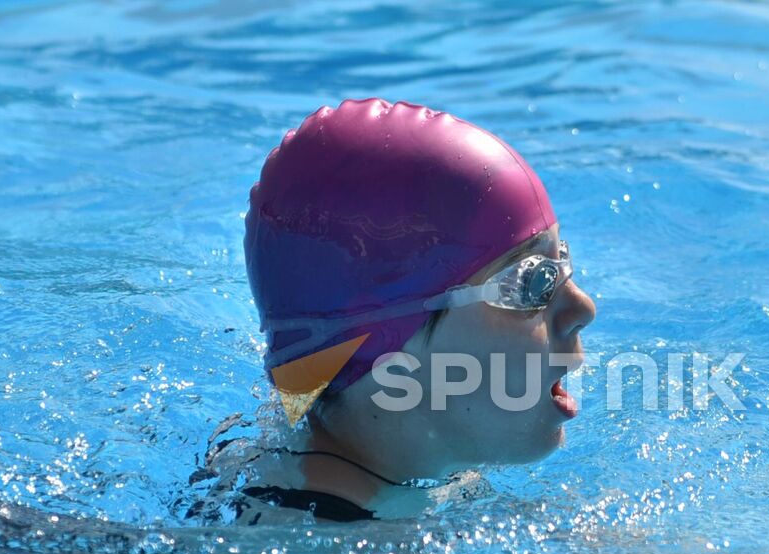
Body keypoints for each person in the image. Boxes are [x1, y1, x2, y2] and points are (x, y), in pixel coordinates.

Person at [232, 97, 596, 522]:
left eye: (562, 260)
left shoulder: (397, 476)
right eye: (531, 281)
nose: (582, 307)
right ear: (390, 356)